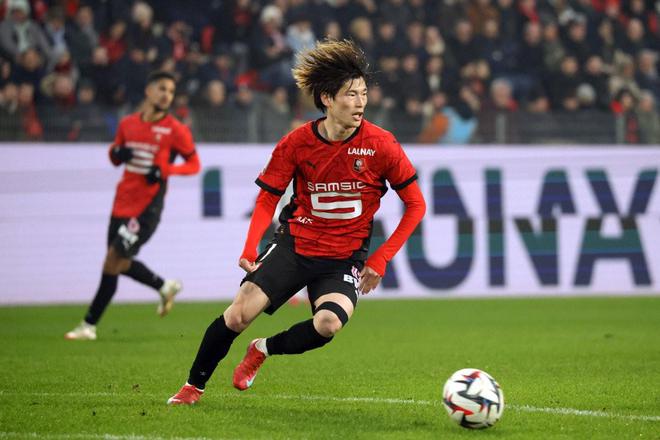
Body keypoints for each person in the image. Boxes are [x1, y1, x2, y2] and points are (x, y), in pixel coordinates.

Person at [167, 39, 426, 405]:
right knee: (239, 315)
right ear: (327, 99)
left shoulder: (381, 145)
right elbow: (267, 198)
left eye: (364, 94)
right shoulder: (296, 143)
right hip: (295, 246)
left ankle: (263, 349)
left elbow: (416, 205)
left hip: (343, 258)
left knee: (328, 324)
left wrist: (381, 258)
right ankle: (192, 387)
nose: (360, 103)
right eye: (351, 95)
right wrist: (249, 247)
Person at [65, 71, 201, 341]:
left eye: (171, 91)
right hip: (121, 203)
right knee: (118, 262)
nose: (167, 95)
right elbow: (115, 155)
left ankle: (88, 325)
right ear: (149, 91)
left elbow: (194, 164)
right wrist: (117, 152)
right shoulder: (128, 124)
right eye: (162, 88)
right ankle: (164, 286)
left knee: (112, 260)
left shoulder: (176, 130)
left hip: (147, 207)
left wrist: (165, 171)